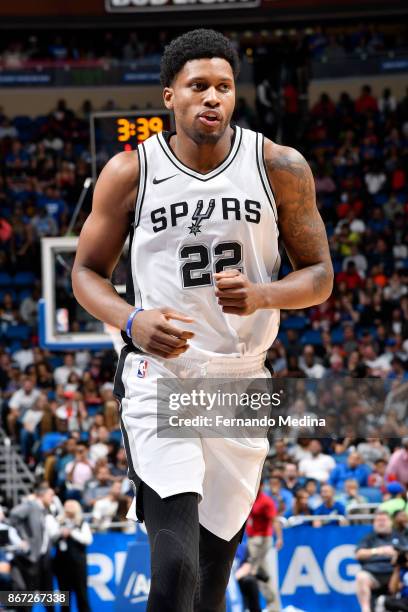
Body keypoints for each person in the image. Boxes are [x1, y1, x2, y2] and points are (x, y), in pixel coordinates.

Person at [71, 28, 333, 611]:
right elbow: (85, 273)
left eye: (224, 86)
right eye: (198, 86)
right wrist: (131, 319)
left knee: (212, 582)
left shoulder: (280, 166)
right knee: (173, 572)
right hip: (162, 374)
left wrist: (264, 295)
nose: (212, 97)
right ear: (170, 95)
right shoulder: (129, 171)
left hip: (240, 380)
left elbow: (320, 276)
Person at [355, 510, 403, 612]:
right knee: (361, 577)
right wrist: (378, 551)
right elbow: (358, 554)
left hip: (394, 573)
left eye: (383, 520)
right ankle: (366, 610)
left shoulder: (399, 536)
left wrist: (397, 555)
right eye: (378, 520)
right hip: (373, 575)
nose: (381, 523)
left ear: (391, 522)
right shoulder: (369, 537)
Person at [246, 482, 283, 612]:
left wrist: (279, 538)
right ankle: (272, 606)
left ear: (261, 486)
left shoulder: (266, 501)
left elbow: (274, 520)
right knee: (259, 574)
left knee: (257, 573)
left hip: (261, 540)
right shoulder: (250, 497)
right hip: (253, 540)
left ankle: (273, 606)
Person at [53, 500, 93, 612]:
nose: (67, 508)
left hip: (78, 565)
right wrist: (60, 532)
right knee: (64, 595)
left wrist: (71, 532)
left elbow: (88, 540)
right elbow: (51, 538)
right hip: (61, 564)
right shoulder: (58, 522)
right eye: (66, 506)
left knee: (82, 593)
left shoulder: (81, 523)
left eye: (71, 506)